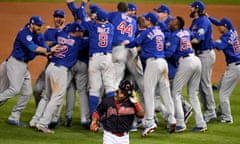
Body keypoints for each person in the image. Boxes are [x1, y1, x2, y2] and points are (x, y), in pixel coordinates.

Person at [0, 16, 59, 127]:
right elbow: (33, 48)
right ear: (31, 24)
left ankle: (14, 117)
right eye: (38, 25)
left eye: (40, 25)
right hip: (15, 63)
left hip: (24, 66)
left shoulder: (38, 34)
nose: (39, 27)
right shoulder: (24, 33)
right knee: (13, 89)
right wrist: (49, 50)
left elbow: (43, 45)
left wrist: (48, 51)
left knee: (27, 92)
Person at [29, 22, 87, 133]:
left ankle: (34, 120)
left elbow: (56, 35)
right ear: (76, 32)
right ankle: (43, 123)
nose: (81, 33)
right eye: (80, 31)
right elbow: (92, 39)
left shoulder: (61, 36)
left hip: (50, 67)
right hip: (60, 71)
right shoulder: (79, 41)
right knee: (57, 97)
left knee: (47, 96)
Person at [126, 12, 176, 136]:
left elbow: (133, 44)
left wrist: (125, 43)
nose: (145, 21)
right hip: (163, 63)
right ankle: (172, 119)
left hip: (153, 63)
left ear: (149, 21)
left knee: (148, 93)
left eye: (146, 20)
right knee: (166, 92)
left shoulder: (145, 32)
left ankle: (149, 122)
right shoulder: (160, 32)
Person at [165, 16, 207, 132]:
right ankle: (201, 123)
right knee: (193, 93)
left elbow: (169, 54)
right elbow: (195, 37)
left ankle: (180, 123)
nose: (170, 23)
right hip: (196, 60)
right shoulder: (186, 31)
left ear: (177, 25)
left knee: (175, 93)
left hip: (186, 62)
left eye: (172, 22)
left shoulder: (174, 36)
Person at [77, 0, 116, 117]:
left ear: (97, 18)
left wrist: (84, 3)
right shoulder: (111, 27)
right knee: (110, 88)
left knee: (94, 90)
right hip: (108, 58)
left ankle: (94, 120)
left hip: (95, 59)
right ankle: (111, 116)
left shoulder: (92, 26)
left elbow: (81, 14)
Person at [90, 79, 144, 144]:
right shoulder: (108, 101)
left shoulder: (132, 103)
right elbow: (98, 112)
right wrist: (94, 122)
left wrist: (136, 103)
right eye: (122, 92)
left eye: (125, 94)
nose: (122, 95)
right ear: (118, 89)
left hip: (124, 138)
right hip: (109, 136)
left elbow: (141, 115)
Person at [189, 0, 217, 123]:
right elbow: (189, 34)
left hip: (205, 55)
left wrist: (184, 42)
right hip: (200, 55)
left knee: (205, 84)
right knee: (200, 85)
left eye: (192, 8)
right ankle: (208, 110)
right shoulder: (195, 21)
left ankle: (211, 112)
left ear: (197, 9)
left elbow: (197, 39)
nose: (190, 9)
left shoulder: (204, 22)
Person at [209, 17, 240, 124]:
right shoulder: (233, 30)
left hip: (234, 67)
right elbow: (219, 22)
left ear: (225, 27)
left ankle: (227, 118)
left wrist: (206, 41)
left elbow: (218, 45)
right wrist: (209, 17)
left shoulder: (226, 38)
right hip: (235, 65)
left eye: (220, 26)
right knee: (221, 87)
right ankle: (222, 110)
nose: (218, 27)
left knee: (223, 94)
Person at [34, 9, 66, 107]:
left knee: (55, 94)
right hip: (49, 65)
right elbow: (42, 47)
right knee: (37, 90)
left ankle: (55, 117)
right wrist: (50, 46)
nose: (58, 19)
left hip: (62, 67)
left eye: (60, 17)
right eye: (56, 16)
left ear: (64, 19)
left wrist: (51, 43)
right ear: (53, 17)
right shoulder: (48, 31)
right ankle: (40, 111)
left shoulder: (67, 30)